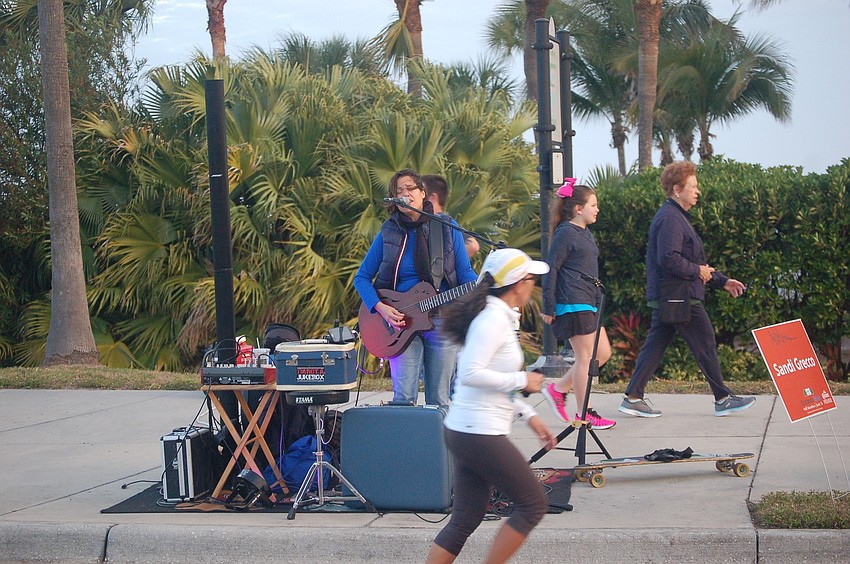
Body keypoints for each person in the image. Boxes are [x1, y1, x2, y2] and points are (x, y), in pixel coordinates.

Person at [426, 248, 556, 564]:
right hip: (478, 433)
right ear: (517, 283)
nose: (533, 286)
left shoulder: (498, 316)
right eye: (531, 279)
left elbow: (493, 378)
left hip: (468, 430)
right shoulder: (492, 320)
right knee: (533, 504)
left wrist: (530, 416)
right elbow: (471, 374)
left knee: (465, 519)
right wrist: (521, 380)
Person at [618, 161, 756, 418]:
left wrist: (721, 280)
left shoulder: (676, 216)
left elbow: (690, 261)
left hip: (673, 295)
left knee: (657, 343)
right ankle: (723, 398)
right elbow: (668, 258)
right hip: (678, 296)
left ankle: (633, 396)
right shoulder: (670, 218)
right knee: (705, 341)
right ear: (675, 189)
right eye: (692, 186)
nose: (697, 191)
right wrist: (698, 272)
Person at [354, 169, 478, 408]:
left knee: (440, 399)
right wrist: (380, 308)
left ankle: (439, 446)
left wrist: (482, 288)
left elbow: (465, 274)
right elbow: (362, 277)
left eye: (409, 188)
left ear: (423, 193)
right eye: (398, 191)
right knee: (403, 399)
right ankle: (406, 445)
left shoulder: (446, 227)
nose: (404, 194)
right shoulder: (389, 231)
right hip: (399, 321)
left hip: (442, 319)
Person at [540, 180, 616, 429]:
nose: (597, 209)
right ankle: (585, 414)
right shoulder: (565, 233)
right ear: (578, 209)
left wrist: (596, 301)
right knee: (586, 357)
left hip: (588, 302)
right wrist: (548, 306)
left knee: (602, 353)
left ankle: (558, 389)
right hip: (572, 303)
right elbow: (551, 269)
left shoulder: (584, 232)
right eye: (593, 205)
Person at [422, 174, 481, 258]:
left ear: (433, 198)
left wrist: (442, 262)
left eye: (421, 193)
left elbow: (473, 246)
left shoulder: (443, 222)